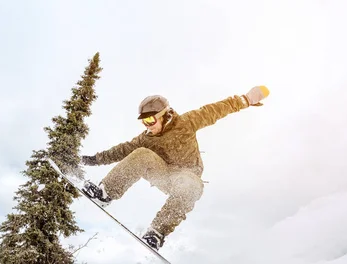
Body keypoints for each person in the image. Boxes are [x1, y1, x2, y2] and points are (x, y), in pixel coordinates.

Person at [80, 85, 269, 250]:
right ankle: (105, 193)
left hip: (186, 178)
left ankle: (156, 232)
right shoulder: (147, 138)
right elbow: (121, 150)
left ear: (165, 115)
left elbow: (216, 109)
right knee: (141, 153)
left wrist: (246, 100)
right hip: (162, 174)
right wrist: (92, 160)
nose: (148, 126)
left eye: (151, 121)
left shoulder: (187, 122)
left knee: (191, 185)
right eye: (144, 122)